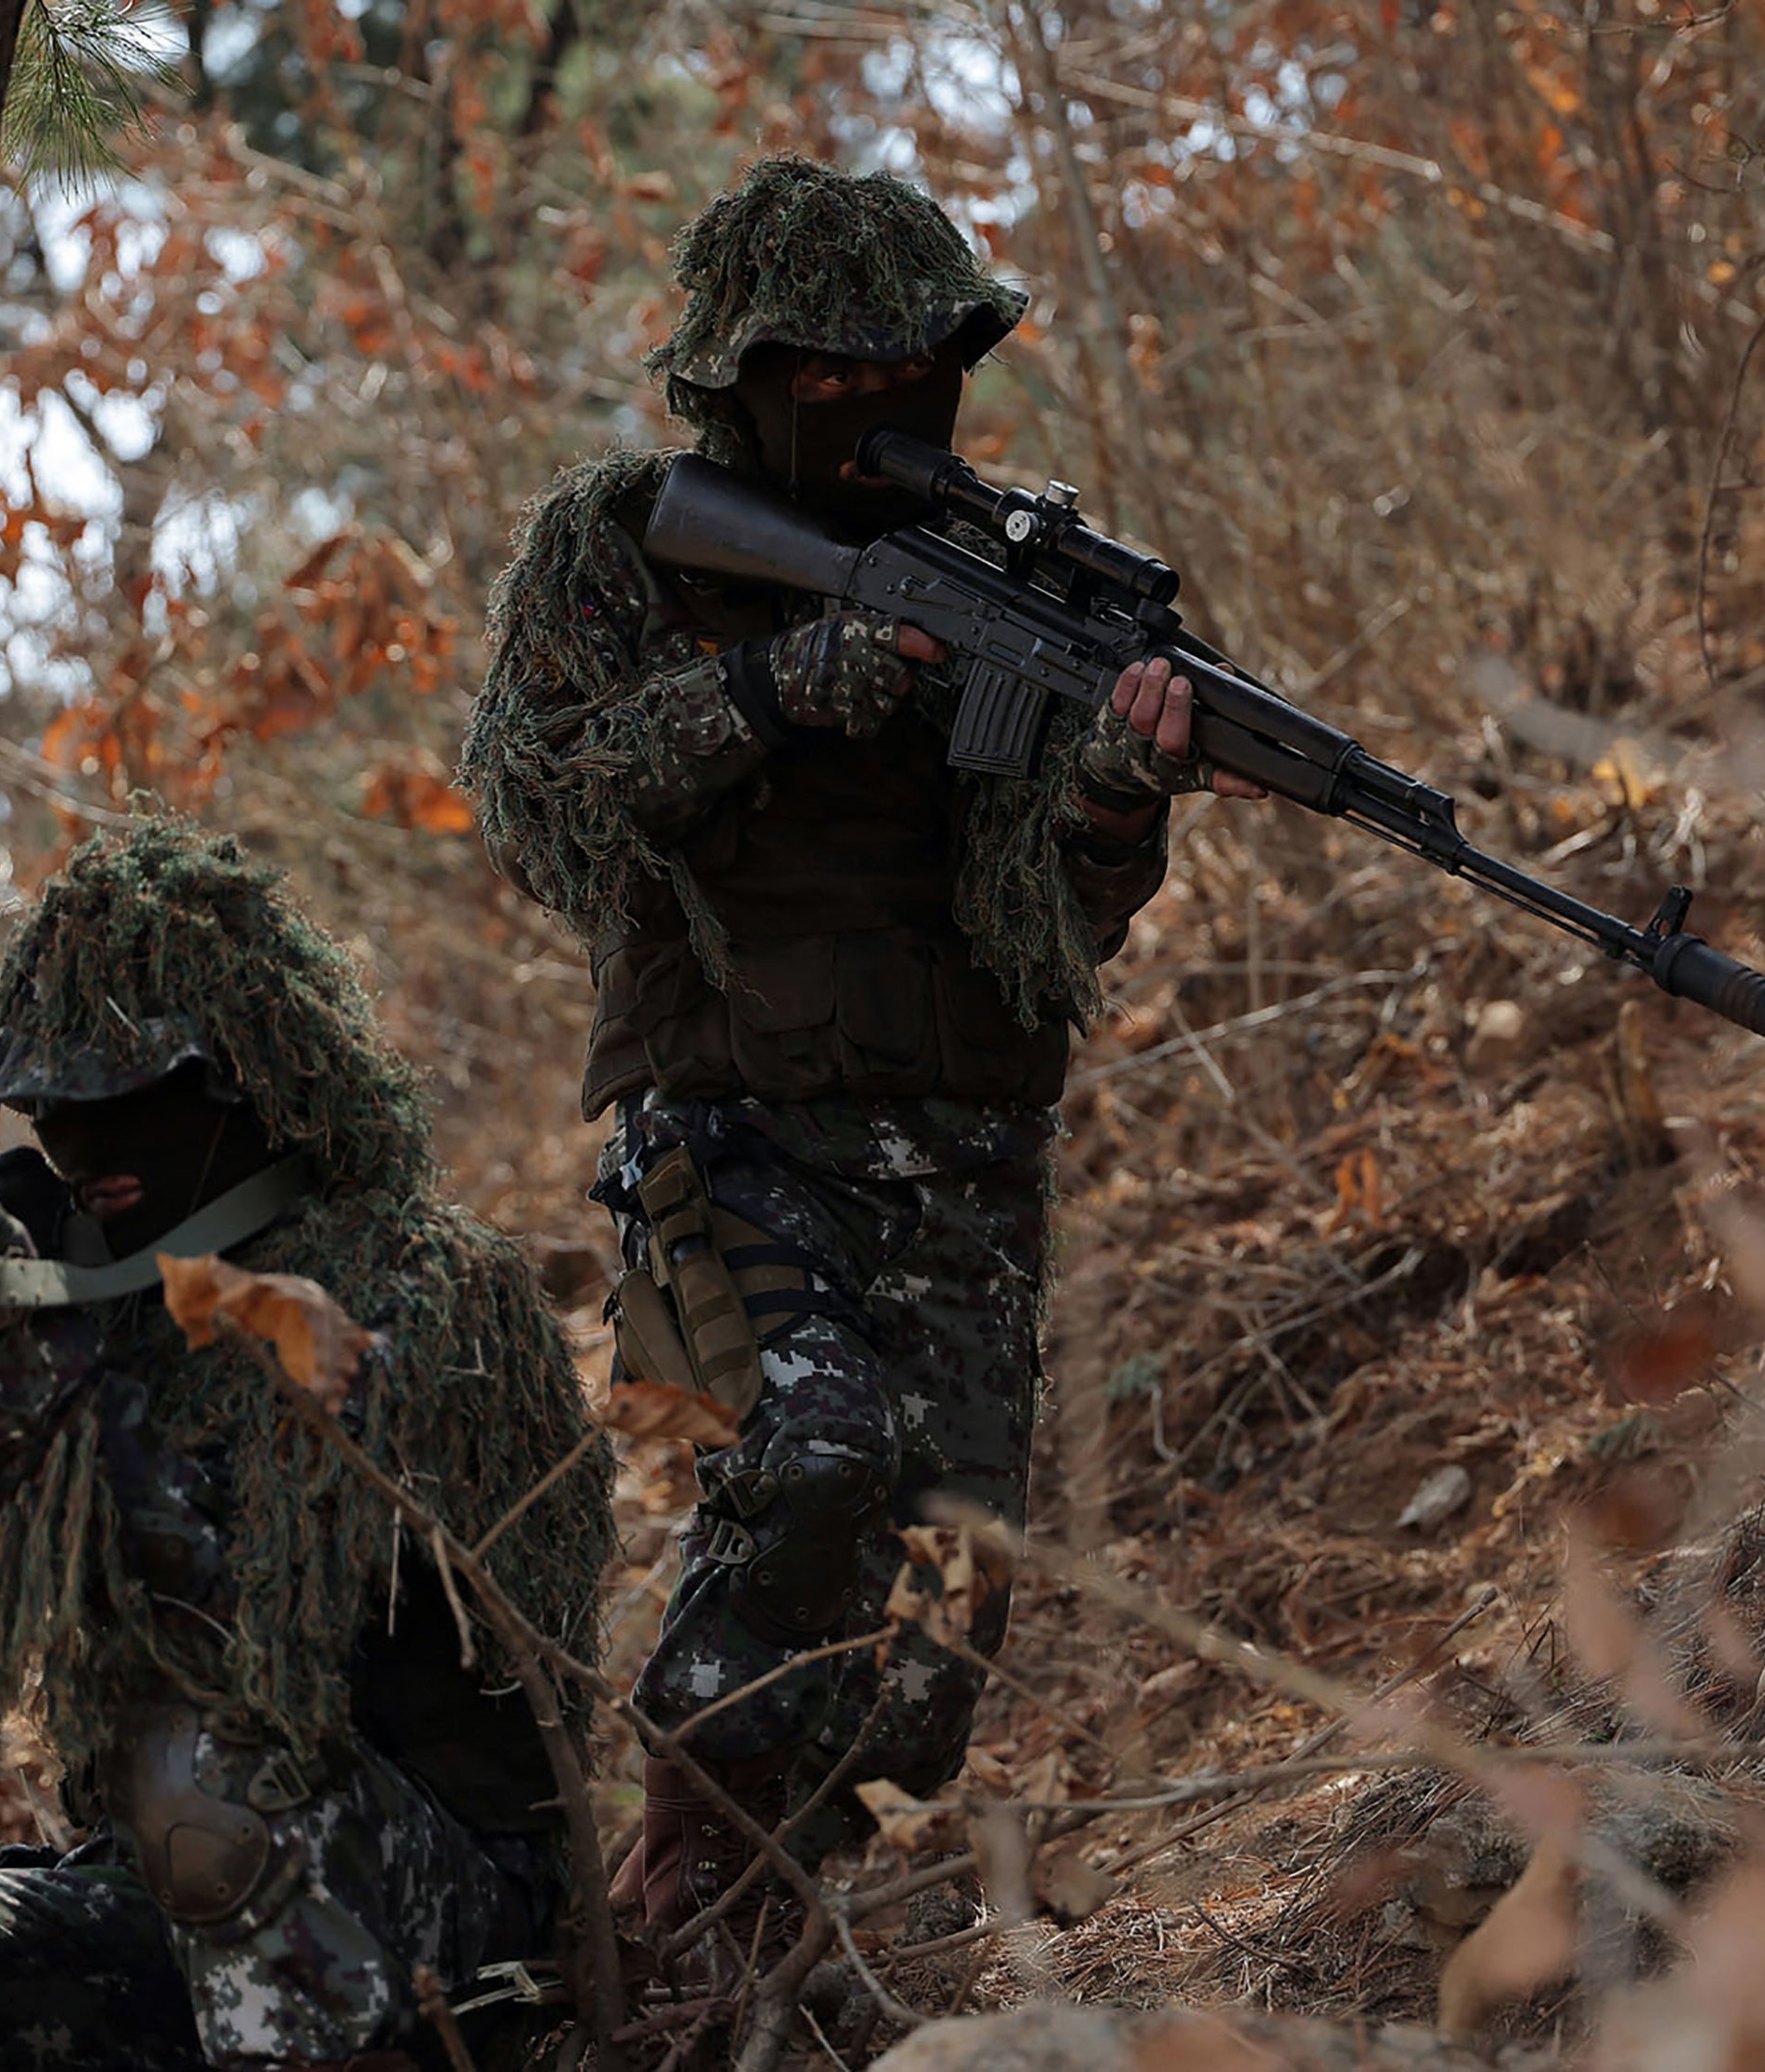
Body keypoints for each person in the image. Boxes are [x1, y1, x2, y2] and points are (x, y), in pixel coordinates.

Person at [462, 155, 1254, 1956]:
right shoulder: (622, 541)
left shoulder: (1010, 575)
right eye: (824, 379)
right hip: (731, 1119)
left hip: (964, 1137)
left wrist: (1124, 788)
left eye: (909, 376)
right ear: (737, 378)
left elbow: (1054, 912)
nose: (873, 411)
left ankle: (774, 1941)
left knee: (941, 1599)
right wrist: (780, 686)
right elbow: (543, 816)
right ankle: (674, 1884)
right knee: (815, 1450)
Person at [0, 819, 618, 2072]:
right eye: (54, 1107)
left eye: (132, 1096)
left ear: (250, 1076)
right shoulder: (104, 1298)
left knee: (210, 1784)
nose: (85, 1143)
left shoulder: (425, 1288)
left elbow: (254, 1646)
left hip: (449, 1902)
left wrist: (40, 1363)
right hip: (176, 1892)